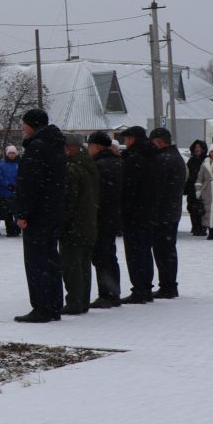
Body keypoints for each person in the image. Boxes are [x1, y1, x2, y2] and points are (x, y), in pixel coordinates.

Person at [12, 107, 68, 323]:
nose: (23, 127)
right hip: (53, 210)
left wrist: (23, 212)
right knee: (51, 258)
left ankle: (42, 307)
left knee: (36, 261)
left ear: (33, 124)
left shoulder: (37, 147)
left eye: (25, 123)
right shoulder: (57, 146)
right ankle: (54, 305)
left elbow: (29, 184)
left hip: (38, 213)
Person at [60, 132, 98, 316]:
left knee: (71, 265)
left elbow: (68, 201)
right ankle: (82, 301)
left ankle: (74, 301)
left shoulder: (72, 169)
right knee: (83, 264)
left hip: (74, 225)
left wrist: (62, 223)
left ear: (69, 148)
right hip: (88, 223)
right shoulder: (89, 165)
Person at [118, 127, 158, 304]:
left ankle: (139, 290)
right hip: (148, 209)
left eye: (126, 138)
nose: (125, 142)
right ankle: (146, 288)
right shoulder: (153, 155)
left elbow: (128, 188)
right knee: (144, 250)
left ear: (132, 139)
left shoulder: (134, 158)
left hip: (134, 211)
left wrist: (123, 207)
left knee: (135, 252)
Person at [148, 127, 187, 297]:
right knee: (168, 249)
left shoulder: (164, 159)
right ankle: (169, 284)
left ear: (159, 142)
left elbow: (157, 189)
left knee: (163, 250)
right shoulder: (176, 157)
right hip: (172, 210)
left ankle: (168, 286)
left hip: (163, 212)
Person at [88, 132, 123, 309]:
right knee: (109, 255)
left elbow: (96, 194)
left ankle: (107, 294)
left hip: (101, 217)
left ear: (97, 146)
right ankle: (113, 292)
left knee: (102, 257)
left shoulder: (99, 165)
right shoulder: (116, 162)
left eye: (90, 145)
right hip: (112, 216)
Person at [184, 139, 209, 237]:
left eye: (199, 147)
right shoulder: (191, 160)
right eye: (196, 147)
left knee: (202, 209)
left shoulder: (206, 160)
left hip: (203, 188)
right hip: (192, 188)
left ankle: (202, 227)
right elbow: (188, 173)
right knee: (192, 208)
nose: (197, 149)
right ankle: (195, 226)